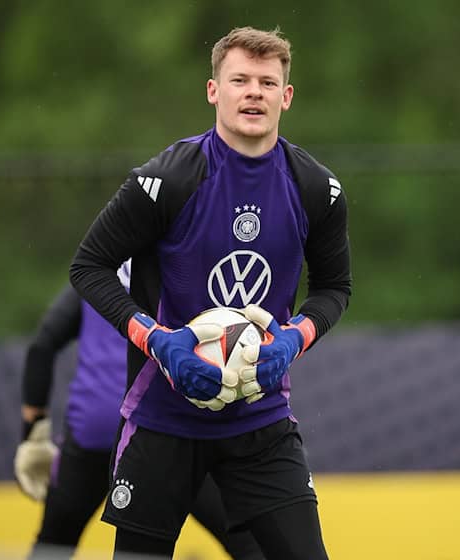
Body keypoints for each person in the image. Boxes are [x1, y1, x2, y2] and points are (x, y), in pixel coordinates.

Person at [68, 26, 351, 559]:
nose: (254, 92)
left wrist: (291, 340)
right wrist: (159, 341)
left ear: (286, 97)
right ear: (212, 91)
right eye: (239, 79)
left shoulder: (317, 189)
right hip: (162, 419)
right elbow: (90, 266)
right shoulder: (164, 180)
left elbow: (335, 288)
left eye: (268, 82)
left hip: (259, 420)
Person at [15, 261, 264, 559]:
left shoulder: (93, 277)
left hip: (95, 431)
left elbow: (42, 347)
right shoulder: (189, 273)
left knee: (53, 546)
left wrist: (33, 434)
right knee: (248, 544)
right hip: (169, 431)